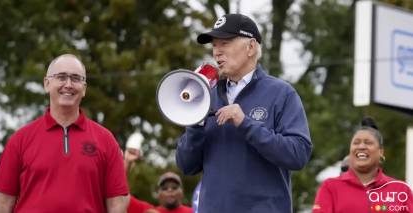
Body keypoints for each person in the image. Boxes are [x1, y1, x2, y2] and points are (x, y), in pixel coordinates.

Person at [176, 13, 312, 213]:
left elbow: (298, 154)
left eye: (225, 43)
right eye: (214, 45)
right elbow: (186, 166)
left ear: (250, 47)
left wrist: (245, 123)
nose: (217, 52)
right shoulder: (206, 96)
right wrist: (195, 123)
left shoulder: (281, 93)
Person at [0, 54, 130, 213]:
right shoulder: (20, 140)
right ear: (46, 84)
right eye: (61, 77)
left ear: (84, 88)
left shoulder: (106, 140)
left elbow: (117, 205)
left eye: (76, 78)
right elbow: (2, 204)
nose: (68, 84)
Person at [312, 117, 413, 213]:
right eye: (356, 143)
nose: (361, 146)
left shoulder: (401, 189)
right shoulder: (330, 187)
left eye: (368, 142)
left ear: (381, 152)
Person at [124, 149, 192, 213]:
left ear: (182, 193)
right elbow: (122, 197)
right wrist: (127, 163)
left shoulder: (196, 211)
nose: (170, 190)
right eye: (164, 188)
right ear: (158, 194)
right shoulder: (149, 211)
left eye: (174, 187)